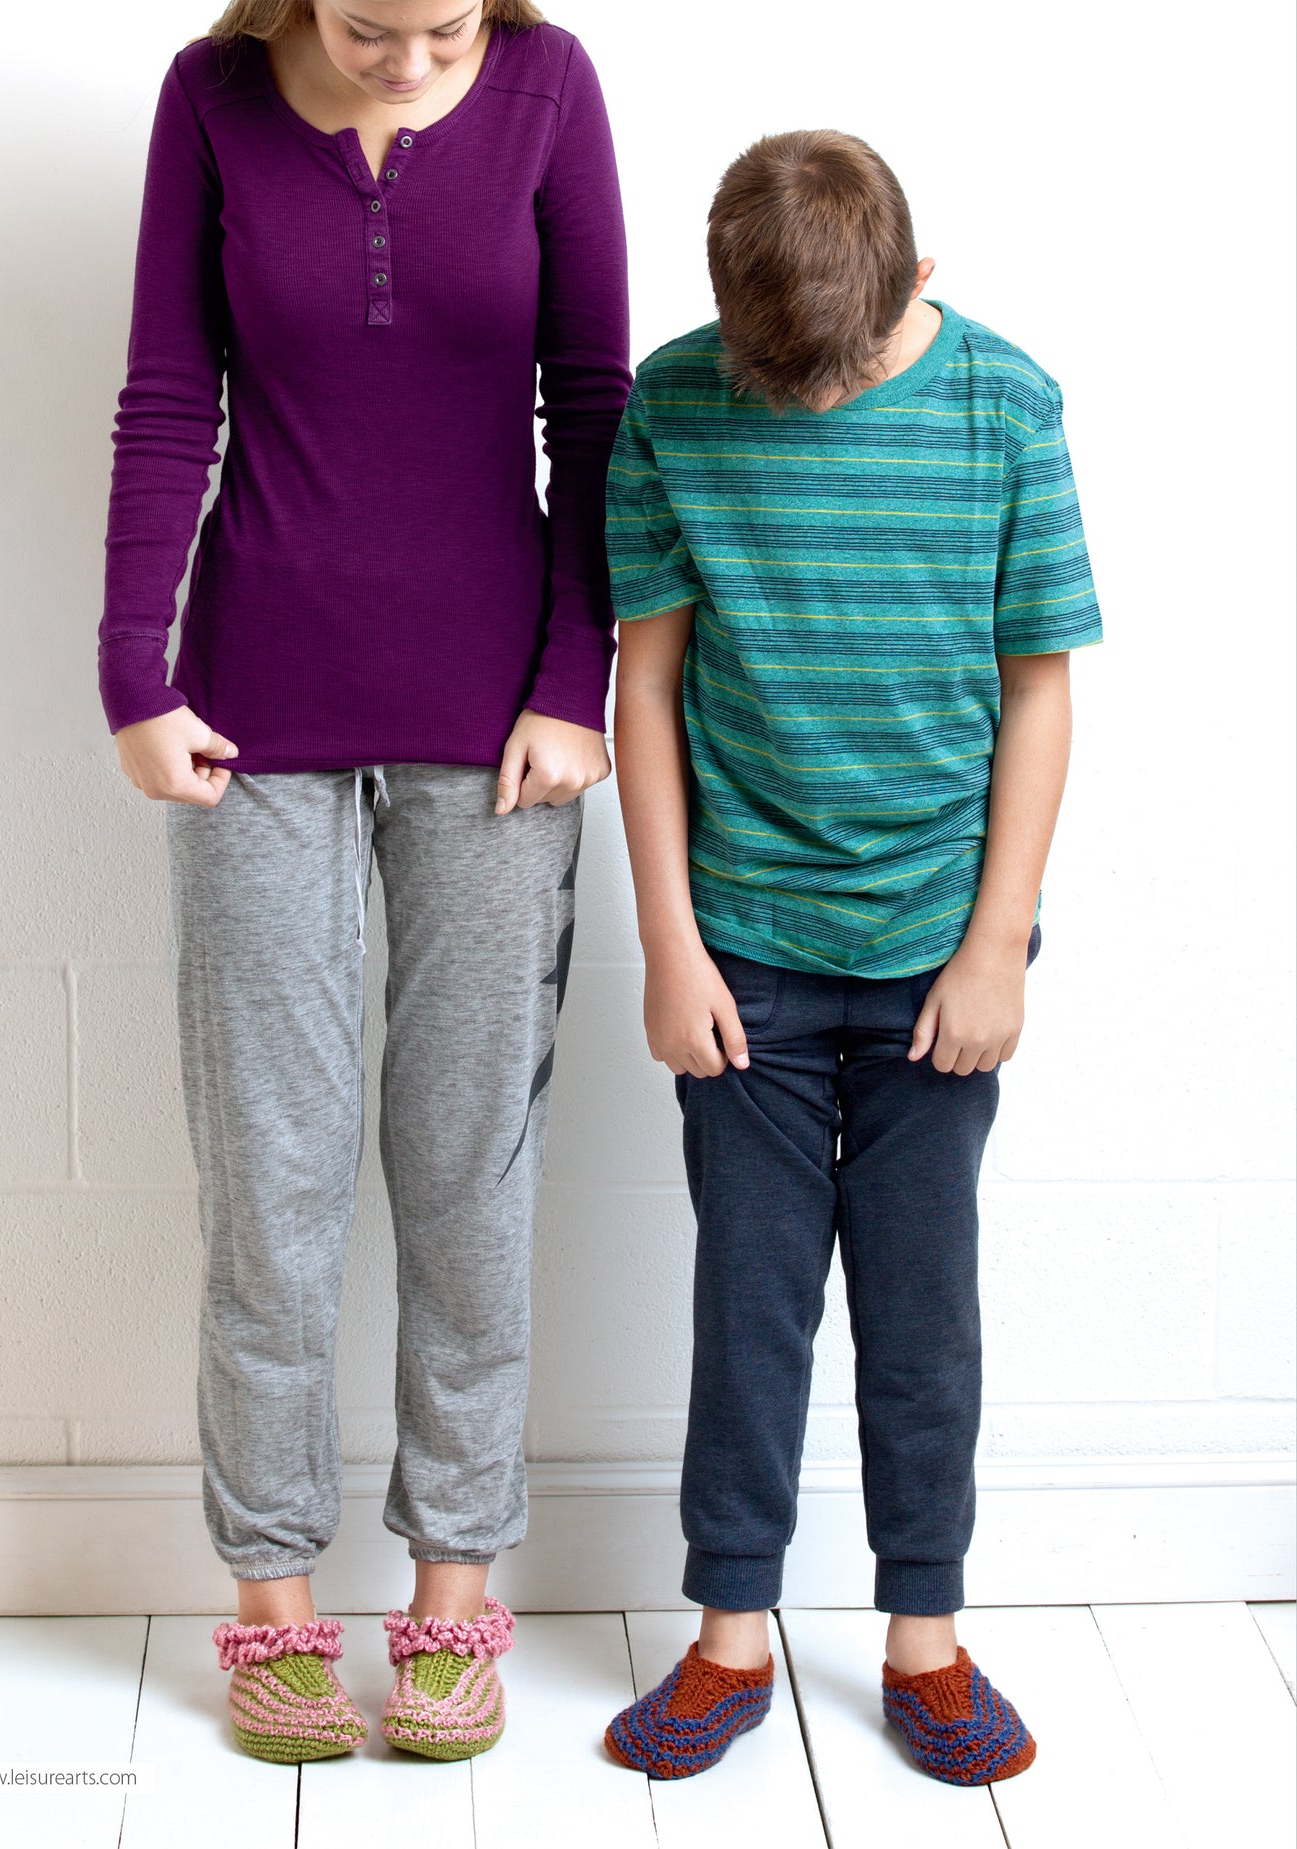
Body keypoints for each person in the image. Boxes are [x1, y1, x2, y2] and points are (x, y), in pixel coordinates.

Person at [97, 0, 628, 1764]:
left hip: (497, 731)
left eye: (444, 26)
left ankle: (454, 1590)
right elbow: (172, 392)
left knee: (467, 1160)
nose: (410, 60)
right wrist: (133, 670)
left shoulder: (552, 87)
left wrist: (576, 678)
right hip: (253, 716)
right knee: (271, 1170)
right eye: (369, 26)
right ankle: (268, 1601)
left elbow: (594, 408)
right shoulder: (211, 96)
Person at [602, 129, 1102, 1784]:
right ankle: (729, 1628)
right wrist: (668, 947)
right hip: (740, 951)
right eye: (779, 382)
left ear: (920, 278)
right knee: (745, 1304)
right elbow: (649, 687)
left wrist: (994, 948)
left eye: (840, 373)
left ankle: (925, 1635)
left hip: (932, 962)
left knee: (920, 1307)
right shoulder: (674, 405)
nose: (808, 406)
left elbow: (1040, 687)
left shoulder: (1004, 412)